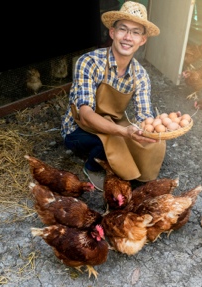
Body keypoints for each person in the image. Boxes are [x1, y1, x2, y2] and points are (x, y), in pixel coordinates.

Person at [60, 1, 167, 191]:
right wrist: (124, 132)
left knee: (155, 144)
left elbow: (144, 116)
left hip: (110, 123)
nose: (127, 37)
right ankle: (92, 167)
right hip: (79, 129)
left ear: (142, 40)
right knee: (115, 139)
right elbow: (85, 114)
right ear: (112, 33)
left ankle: (131, 169)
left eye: (135, 32)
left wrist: (151, 130)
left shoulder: (140, 75)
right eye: (123, 29)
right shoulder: (90, 62)